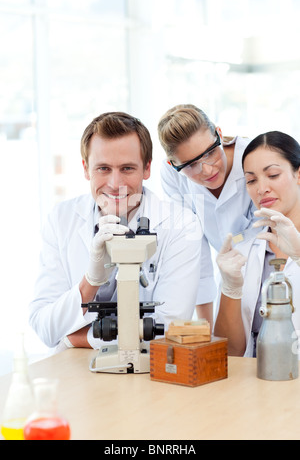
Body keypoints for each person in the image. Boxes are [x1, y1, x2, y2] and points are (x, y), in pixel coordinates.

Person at [29, 112, 207, 351]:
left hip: (146, 374)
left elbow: (168, 328)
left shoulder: (182, 224)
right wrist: (90, 282)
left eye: (127, 168)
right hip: (73, 373)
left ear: (146, 169)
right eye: (103, 168)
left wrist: (75, 338)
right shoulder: (62, 219)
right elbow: (44, 326)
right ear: (85, 169)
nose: (115, 183)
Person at [157, 104, 256, 324]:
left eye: (211, 152)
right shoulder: (173, 176)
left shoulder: (252, 158)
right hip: (228, 278)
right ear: (172, 165)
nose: (208, 170)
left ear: (219, 134)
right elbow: (194, 247)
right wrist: (206, 329)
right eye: (191, 164)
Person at [214, 131, 300, 357]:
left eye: (272, 175)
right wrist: (230, 288)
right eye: (251, 180)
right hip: (257, 384)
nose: (261, 188)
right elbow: (229, 352)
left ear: (298, 175)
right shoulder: (244, 250)